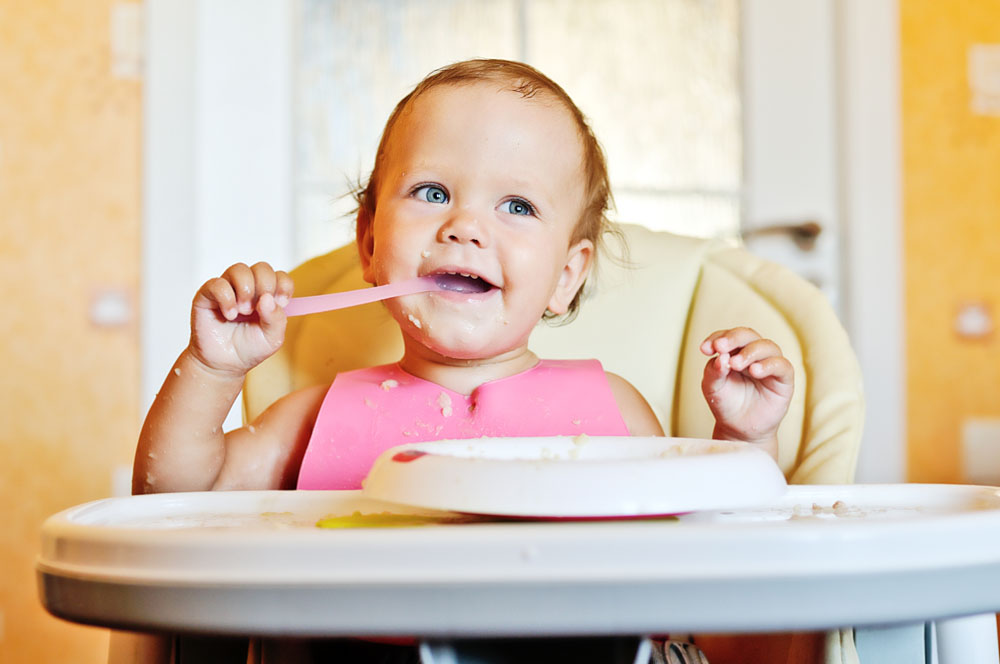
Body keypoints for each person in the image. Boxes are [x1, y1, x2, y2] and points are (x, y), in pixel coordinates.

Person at [134, 57, 792, 499]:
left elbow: (711, 538)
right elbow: (172, 502)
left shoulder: (611, 412)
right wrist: (214, 369)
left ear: (566, 277)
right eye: (430, 192)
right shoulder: (315, 417)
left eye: (517, 206)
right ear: (368, 242)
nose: (466, 227)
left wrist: (745, 437)